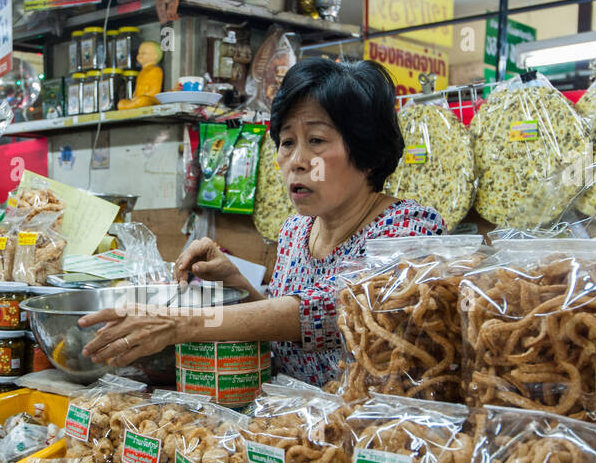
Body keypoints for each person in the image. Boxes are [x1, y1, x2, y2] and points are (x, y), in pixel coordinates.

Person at [79, 57, 445, 387]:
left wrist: (180, 323)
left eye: (316, 140)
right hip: (289, 425)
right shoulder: (295, 231)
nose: (297, 161)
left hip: (370, 438)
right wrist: (236, 281)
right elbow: (286, 333)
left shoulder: (410, 229)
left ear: (367, 155)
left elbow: (331, 312)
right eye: (287, 142)